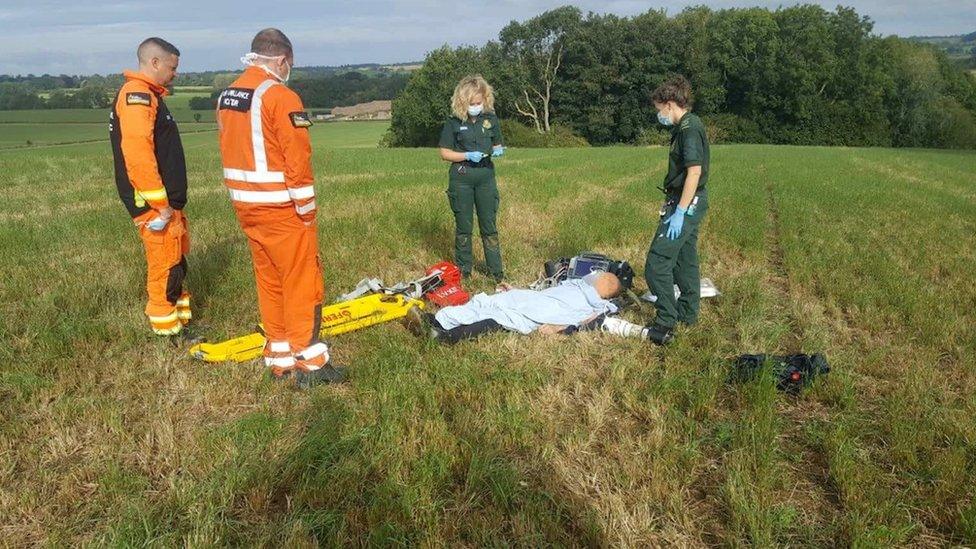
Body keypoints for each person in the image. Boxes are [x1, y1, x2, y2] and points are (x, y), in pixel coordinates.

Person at [217, 28, 344, 386]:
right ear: (283, 60)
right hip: (282, 208)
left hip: (246, 206)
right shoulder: (282, 96)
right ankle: (311, 363)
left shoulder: (228, 95)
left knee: (270, 281)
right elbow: (297, 157)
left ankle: (279, 356)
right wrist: (306, 209)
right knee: (303, 283)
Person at [109, 37, 196, 340]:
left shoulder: (150, 95)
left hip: (165, 204)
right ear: (155, 62)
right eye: (172, 67)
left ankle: (181, 322)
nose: (175, 74)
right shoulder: (137, 96)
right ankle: (168, 332)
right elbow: (138, 154)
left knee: (175, 260)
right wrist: (160, 204)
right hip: (153, 205)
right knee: (164, 266)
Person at [643, 75, 710, 345]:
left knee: (657, 264)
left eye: (660, 110)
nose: (659, 115)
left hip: (686, 203)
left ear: (670, 104)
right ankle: (688, 313)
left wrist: (680, 211)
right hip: (690, 201)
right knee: (685, 259)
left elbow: (694, 171)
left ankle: (666, 320)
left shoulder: (688, 129)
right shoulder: (690, 125)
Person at [403, 272, 623, 344]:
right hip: (529, 299)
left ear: (604, 287)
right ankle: (436, 321)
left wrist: (559, 327)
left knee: (496, 319)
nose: (593, 275)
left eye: (600, 277)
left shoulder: (598, 304)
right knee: (486, 303)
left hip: (538, 312)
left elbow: (585, 322)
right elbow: (546, 293)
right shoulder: (575, 285)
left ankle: (445, 337)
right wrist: (515, 290)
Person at [437, 75, 506, 282]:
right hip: (462, 178)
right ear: (462, 102)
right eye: (471, 103)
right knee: (464, 227)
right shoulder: (454, 122)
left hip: (485, 178)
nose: (476, 106)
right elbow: (444, 153)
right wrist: (466, 155)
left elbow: (496, 144)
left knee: (489, 226)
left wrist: (498, 149)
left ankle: (496, 273)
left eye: (479, 102)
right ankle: (464, 272)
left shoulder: (491, 119)